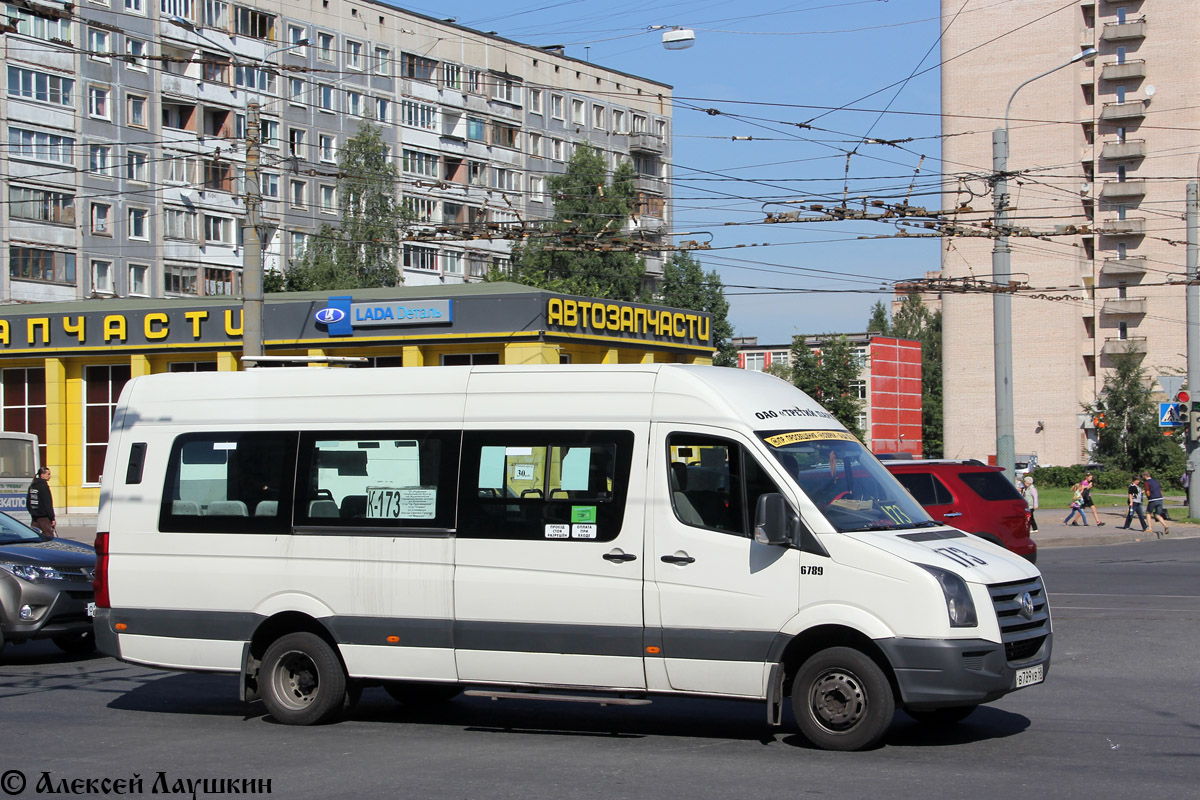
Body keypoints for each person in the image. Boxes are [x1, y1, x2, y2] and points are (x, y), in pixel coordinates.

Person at [26, 466, 56, 538]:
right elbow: (48, 503)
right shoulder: (43, 486)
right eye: (48, 474)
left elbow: (28, 502)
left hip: (34, 517)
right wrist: (52, 518)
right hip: (43, 517)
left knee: (35, 536)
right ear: (42, 475)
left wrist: (32, 512)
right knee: (49, 537)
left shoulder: (32, 485)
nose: (50, 476)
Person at [1143, 471, 1169, 537]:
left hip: (1153, 499)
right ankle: (1165, 525)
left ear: (1145, 476)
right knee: (1157, 514)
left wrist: (1148, 498)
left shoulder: (1146, 482)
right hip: (1160, 499)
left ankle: (1150, 528)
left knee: (1148, 513)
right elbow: (1160, 490)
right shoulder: (1156, 481)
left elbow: (1148, 491)